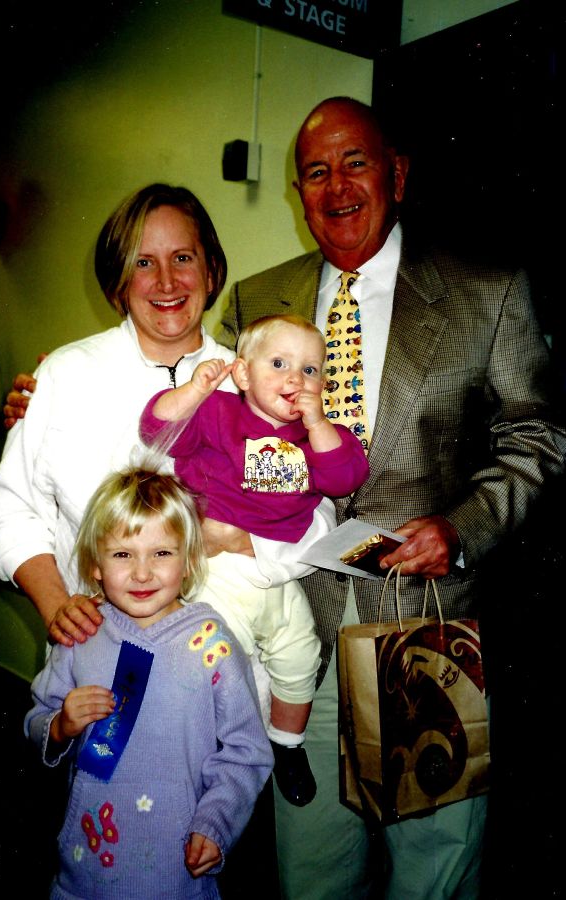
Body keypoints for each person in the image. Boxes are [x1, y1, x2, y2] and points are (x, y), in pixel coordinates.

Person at [218, 97, 566, 899]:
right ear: (297, 192)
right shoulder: (256, 298)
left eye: (356, 162)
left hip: (424, 625)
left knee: (432, 869)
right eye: (314, 171)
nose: (335, 186)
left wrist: (461, 525)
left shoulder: (488, 289)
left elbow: (537, 434)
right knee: (309, 869)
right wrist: (57, 400)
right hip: (293, 630)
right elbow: (202, 411)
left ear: (397, 173)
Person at [0, 181, 332, 897]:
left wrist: (243, 543)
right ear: (117, 281)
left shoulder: (259, 381)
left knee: (210, 867)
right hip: (103, 689)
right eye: (144, 263)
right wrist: (54, 604)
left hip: (223, 699)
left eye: (184, 259)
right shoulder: (65, 375)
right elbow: (9, 509)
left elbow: (314, 509)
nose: (166, 281)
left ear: (212, 271)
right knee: (101, 861)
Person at [139, 313, 369, 806]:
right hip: (218, 570)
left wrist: (317, 421)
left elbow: (347, 477)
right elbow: (157, 428)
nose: (295, 378)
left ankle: (287, 744)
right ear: (242, 374)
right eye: (280, 363)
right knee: (220, 662)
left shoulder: (316, 437)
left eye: (310, 370)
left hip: (278, 573)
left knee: (300, 653)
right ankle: (207, 755)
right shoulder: (219, 413)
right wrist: (195, 391)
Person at [24, 467, 274, 899]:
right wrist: (61, 725)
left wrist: (216, 824)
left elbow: (247, 751)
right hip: (84, 866)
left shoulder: (210, 644)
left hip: (175, 869)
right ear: (95, 566)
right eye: (122, 555)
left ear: (189, 560)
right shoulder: (82, 632)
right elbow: (36, 719)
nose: (142, 573)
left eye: (161, 553)